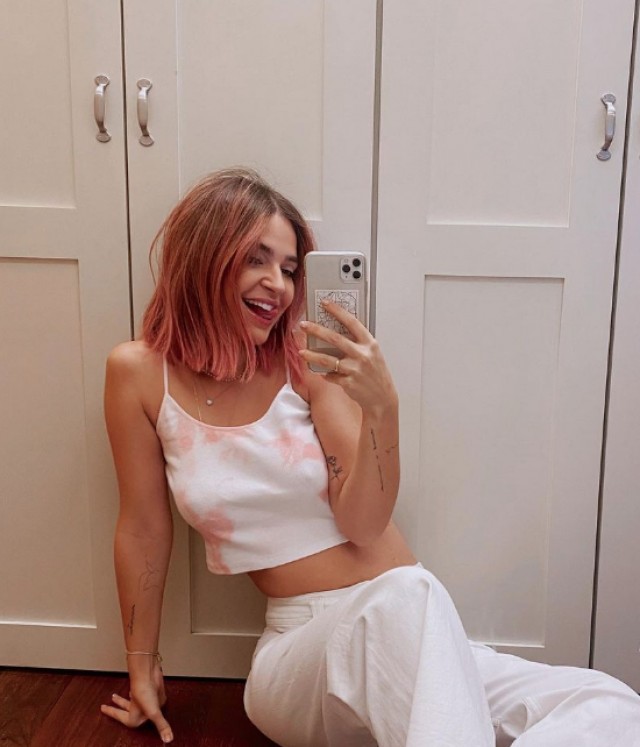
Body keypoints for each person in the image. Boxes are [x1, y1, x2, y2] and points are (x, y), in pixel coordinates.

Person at [101, 168, 640, 746]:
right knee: (406, 596)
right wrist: (142, 665)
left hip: (421, 630)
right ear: (205, 255)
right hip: (303, 652)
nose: (279, 286)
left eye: (289, 269)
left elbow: (363, 524)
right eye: (256, 260)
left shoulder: (308, 361)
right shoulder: (138, 374)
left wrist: (383, 409)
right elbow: (143, 529)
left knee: (609, 704)